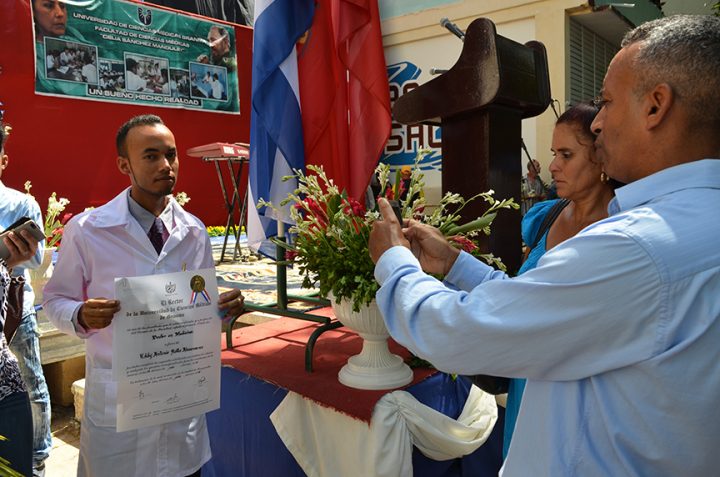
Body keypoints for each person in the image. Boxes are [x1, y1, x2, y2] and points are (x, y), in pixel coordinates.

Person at [369, 15, 720, 476]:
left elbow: (460, 332)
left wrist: (393, 260)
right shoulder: (693, 225)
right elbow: (537, 301)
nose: (598, 123)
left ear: (656, 106)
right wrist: (455, 263)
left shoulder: (636, 248)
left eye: (607, 103)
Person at [43, 114, 245, 477]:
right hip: (119, 408)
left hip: (180, 404)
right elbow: (56, 299)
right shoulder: (88, 231)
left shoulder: (194, 231)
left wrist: (223, 311)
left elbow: (199, 312)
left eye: (171, 155)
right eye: (151, 156)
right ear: (124, 164)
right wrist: (81, 315)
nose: (166, 166)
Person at [503, 101, 615, 458]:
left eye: (566, 155)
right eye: (554, 153)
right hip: (526, 377)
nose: (552, 165)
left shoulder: (623, 227)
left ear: (600, 157)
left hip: (579, 394)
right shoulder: (547, 216)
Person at [0, 121, 53, 477]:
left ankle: (37, 454)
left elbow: (35, 258)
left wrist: (8, 252)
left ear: (3, 160)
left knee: (30, 381)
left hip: (15, 309)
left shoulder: (21, 202)